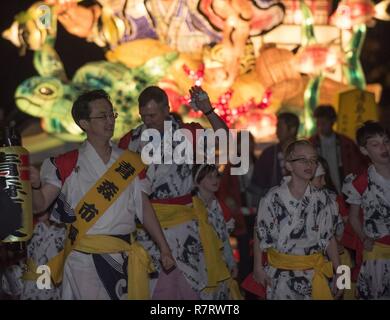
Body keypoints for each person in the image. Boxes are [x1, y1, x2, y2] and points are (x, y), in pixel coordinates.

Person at [29, 89, 175, 300]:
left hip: (125, 255)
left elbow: (144, 208)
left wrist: (164, 248)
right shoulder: (65, 163)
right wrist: (33, 186)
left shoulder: (130, 161)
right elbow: (40, 204)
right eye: (102, 116)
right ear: (84, 123)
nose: (110, 121)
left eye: (111, 114)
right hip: (84, 260)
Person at [119, 85, 229, 299]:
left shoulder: (188, 134)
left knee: (191, 286)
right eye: (143, 116)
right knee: (153, 290)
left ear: (167, 109)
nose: (147, 120)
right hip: (146, 227)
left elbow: (225, 140)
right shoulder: (130, 140)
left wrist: (208, 111)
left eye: (152, 115)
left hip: (184, 225)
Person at [253, 140, 343, 300]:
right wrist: (258, 267)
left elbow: (330, 239)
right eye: (302, 159)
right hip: (281, 275)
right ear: (289, 166)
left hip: (315, 272)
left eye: (313, 160)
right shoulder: (272, 197)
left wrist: (342, 278)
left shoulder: (324, 199)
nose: (309, 164)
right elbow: (260, 232)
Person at [342, 121, 390, 299]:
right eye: (375, 145)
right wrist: (363, 237)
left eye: (386, 141)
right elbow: (354, 217)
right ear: (364, 150)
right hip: (378, 252)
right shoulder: (360, 183)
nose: (383, 148)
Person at [192, 164, 241, 299]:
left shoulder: (218, 206)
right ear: (197, 181)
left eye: (217, 176)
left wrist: (231, 262)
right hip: (201, 268)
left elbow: (224, 238)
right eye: (209, 177)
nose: (215, 180)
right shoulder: (191, 208)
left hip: (220, 265)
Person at [310, 104, 368, 194]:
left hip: (345, 191)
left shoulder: (346, 143)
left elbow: (357, 167)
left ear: (333, 121)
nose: (321, 127)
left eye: (324, 123)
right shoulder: (310, 143)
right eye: (318, 123)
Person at [250, 112, 300, 199]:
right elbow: (257, 186)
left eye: (280, 128)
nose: (277, 131)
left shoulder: (306, 153)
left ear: (292, 129)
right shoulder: (268, 155)